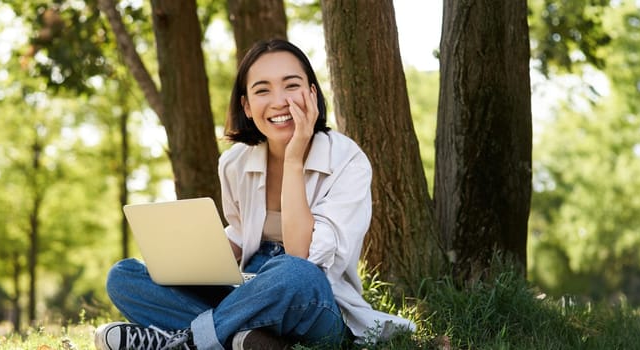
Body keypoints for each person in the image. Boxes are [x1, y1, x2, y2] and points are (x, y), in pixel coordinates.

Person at [95, 39, 415, 350]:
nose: (279, 101)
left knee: (293, 273)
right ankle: (246, 340)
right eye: (262, 90)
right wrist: (188, 259)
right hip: (246, 288)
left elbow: (302, 257)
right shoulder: (234, 162)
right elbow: (240, 232)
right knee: (124, 276)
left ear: (313, 95)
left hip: (312, 299)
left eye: (291, 85)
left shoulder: (347, 159)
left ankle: (187, 341)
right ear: (246, 106)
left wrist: (293, 158)